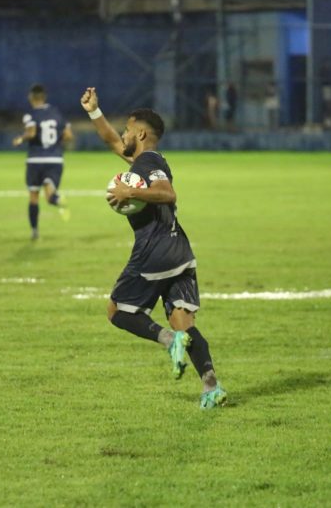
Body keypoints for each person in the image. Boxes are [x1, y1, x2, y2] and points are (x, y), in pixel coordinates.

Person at [79, 86, 227, 409]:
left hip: (155, 249)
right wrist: (94, 112)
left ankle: (168, 340)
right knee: (184, 323)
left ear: (141, 133)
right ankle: (211, 386)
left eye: (128, 129)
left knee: (117, 311)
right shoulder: (145, 159)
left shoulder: (147, 162)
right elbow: (111, 141)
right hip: (180, 250)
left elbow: (167, 192)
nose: (123, 134)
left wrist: (131, 194)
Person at [12, 84, 73, 241]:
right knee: (49, 196)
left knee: (33, 196)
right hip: (55, 159)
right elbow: (68, 136)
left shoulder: (30, 114)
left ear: (31, 97)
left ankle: (34, 231)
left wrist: (21, 138)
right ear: (44, 97)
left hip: (35, 160)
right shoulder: (56, 112)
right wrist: (56, 143)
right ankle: (58, 200)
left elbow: (31, 133)